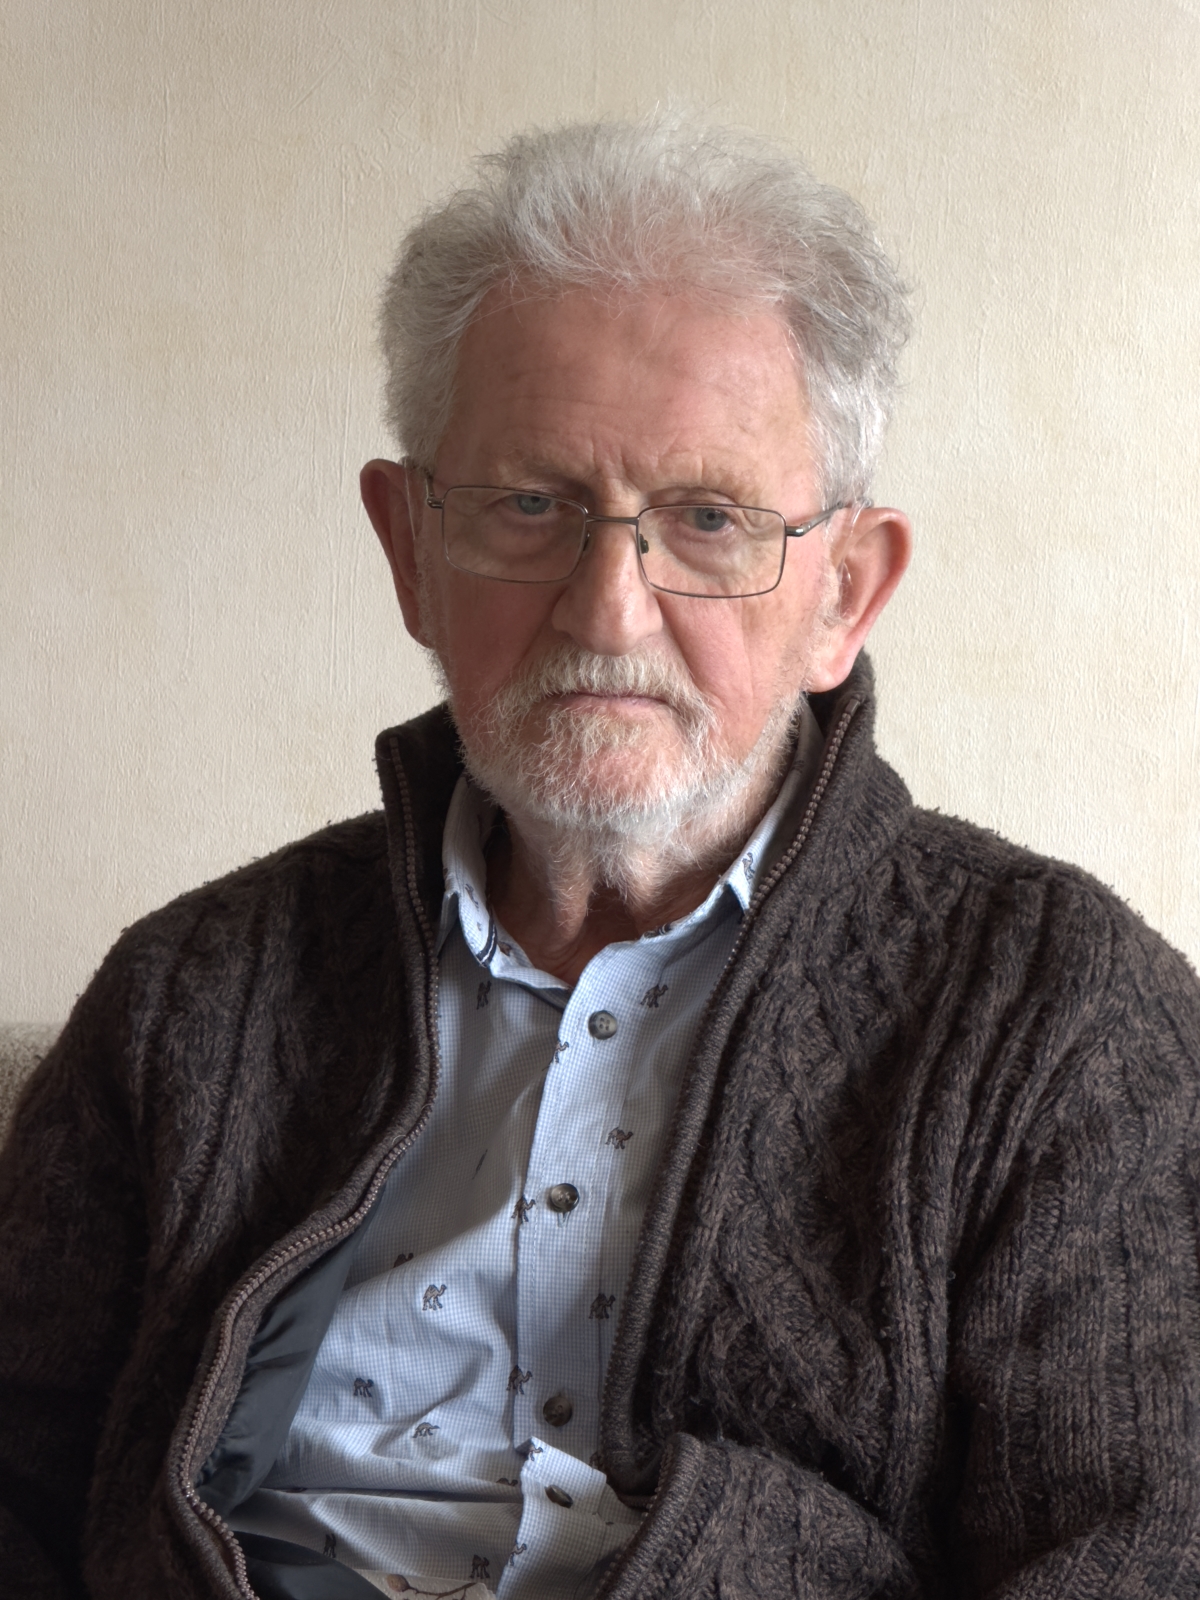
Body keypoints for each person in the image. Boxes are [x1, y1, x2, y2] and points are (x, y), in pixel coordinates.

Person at [2, 114, 1199, 1600]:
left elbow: (1146, 1554)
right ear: (409, 548)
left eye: (707, 519)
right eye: (530, 504)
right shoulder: (188, 998)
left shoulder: (1062, 1019)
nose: (608, 609)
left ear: (844, 591)